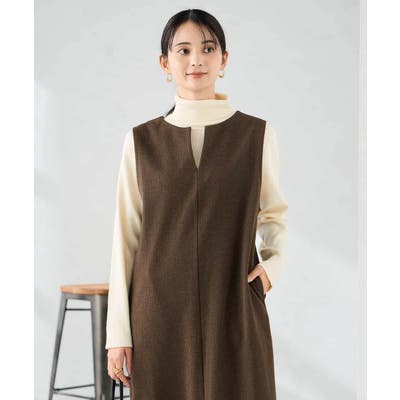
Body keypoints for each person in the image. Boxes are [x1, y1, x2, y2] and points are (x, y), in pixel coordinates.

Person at [105, 9, 288, 400]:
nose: (196, 60)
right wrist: (118, 333)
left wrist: (270, 269)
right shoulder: (140, 142)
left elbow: (273, 213)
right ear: (165, 63)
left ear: (224, 59)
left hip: (234, 305)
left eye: (208, 48)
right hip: (158, 314)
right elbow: (126, 238)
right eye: (183, 50)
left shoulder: (256, 135)